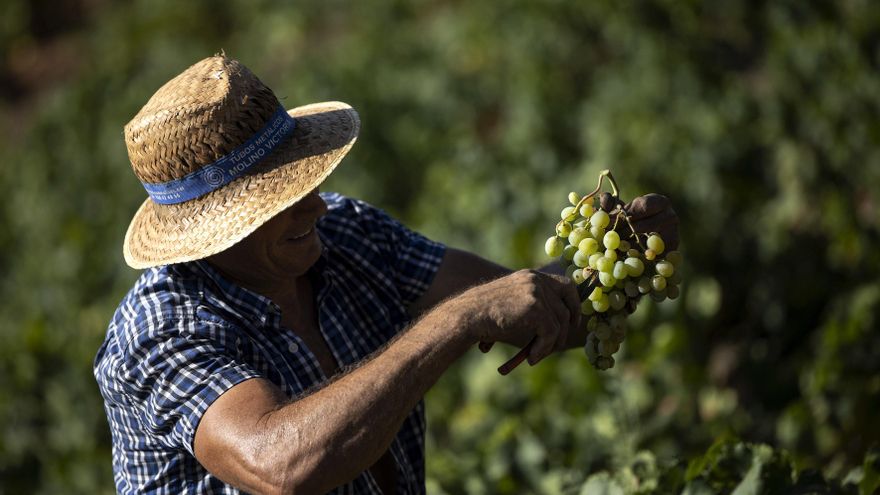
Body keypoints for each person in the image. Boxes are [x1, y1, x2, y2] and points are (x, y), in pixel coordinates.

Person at [94, 55, 678, 494]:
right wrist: (455, 319)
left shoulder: (347, 234)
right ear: (212, 233)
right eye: (281, 202)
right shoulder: (159, 331)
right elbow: (280, 465)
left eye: (305, 184)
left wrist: (618, 254)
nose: (316, 208)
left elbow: (532, 312)